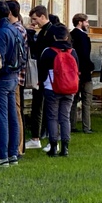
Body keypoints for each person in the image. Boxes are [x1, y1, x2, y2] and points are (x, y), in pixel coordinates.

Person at [38, 24, 79, 157]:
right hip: (70, 89)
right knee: (65, 117)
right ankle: (65, 148)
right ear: (67, 36)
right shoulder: (72, 52)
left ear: (54, 36)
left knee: (52, 117)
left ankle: (54, 147)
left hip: (52, 88)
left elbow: (42, 72)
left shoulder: (48, 52)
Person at [0, 1, 21, 166]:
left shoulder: (0, 33)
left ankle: (3, 156)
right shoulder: (16, 30)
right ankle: (13, 153)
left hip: (2, 78)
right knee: (12, 117)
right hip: (14, 76)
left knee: (1, 117)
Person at [26, 5, 54, 149]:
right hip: (42, 74)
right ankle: (37, 136)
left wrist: (30, 34)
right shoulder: (44, 31)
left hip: (47, 74)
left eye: (35, 19)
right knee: (38, 106)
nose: (34, 22)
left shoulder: (49, 32)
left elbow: (37, 50)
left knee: (48, 107)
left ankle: (50, 139)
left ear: (43, 16)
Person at [7, 0, 28, 155]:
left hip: (15, 76)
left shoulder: (16, 30)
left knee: (15, 111)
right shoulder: (19, 28)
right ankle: (16, 146)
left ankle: (18, 147)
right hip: (18, 75)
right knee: (14, 111)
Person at [69, 13, 94, 134]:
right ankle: (86, 126)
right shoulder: (83, 37)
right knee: (86, 101)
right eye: (86, 22)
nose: (88, 24)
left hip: (73, 73)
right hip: (84, 73)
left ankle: (71, 125)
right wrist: (90, 67)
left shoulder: (70, 35)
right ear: (80, 22)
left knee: (73, 101)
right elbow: (84, 55)